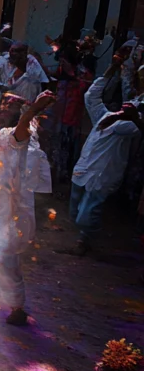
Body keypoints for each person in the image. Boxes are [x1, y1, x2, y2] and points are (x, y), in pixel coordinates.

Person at [0, 91, 55, 325]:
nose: (2, 108)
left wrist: (33, 110)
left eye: (9, 106)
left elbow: (21, 131)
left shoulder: (16, 137)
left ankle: (17, 306)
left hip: (7, 207)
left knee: (6, 255)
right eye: (2, 104)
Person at [69, 66, 144, 255]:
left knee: (86, 216)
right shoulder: (105, 116)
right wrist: (111, 69)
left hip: (103, 173)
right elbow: (91, 97)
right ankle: (85, 239)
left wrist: (132, 117)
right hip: (84, 169)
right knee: (75, 212)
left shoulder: (130, 125)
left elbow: (136, 125)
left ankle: (88, 240)